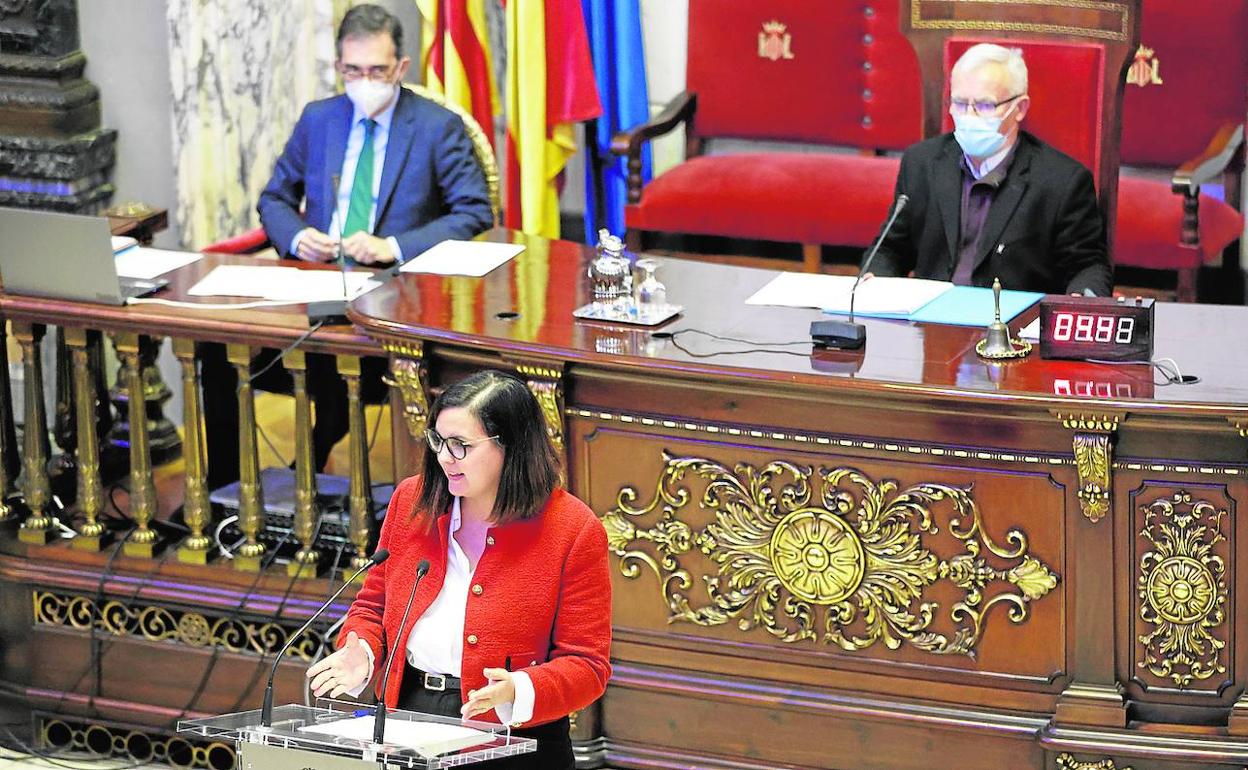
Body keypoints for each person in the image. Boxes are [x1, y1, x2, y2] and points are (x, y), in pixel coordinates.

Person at [201, 4, 493, 490]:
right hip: (312, 290)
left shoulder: (437, 126)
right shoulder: (319, 119)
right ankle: (227, 496)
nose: (365, 81)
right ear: (339, 68)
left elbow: (474, 213)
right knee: (214, 348)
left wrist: (394, 246)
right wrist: (297, 236)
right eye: (352, 70)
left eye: (377, 70)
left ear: (401, 67)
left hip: (396, 296)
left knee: (348, 366)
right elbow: (275, 198)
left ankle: (402, 496)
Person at [306, 370, 611, 769]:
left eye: (461, 445)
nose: (444, 457)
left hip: (514, 740)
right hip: (409, 719)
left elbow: (588, 665)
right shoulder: (410, 501)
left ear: (511, 446)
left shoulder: (573, 529)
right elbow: (373, 607)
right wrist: (360, 649)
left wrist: (519, 688)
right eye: (438, 441)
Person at [867, 43, 1112, 297]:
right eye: (960, 103)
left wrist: (1082, 300)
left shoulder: (1062, 182)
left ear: (1019, 108)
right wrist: (873, 279)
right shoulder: (922, 163)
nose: (969, 116)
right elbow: (890, 249)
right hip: (931, 325)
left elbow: (1086, 266)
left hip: (1012, 328)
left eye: (984, 105)